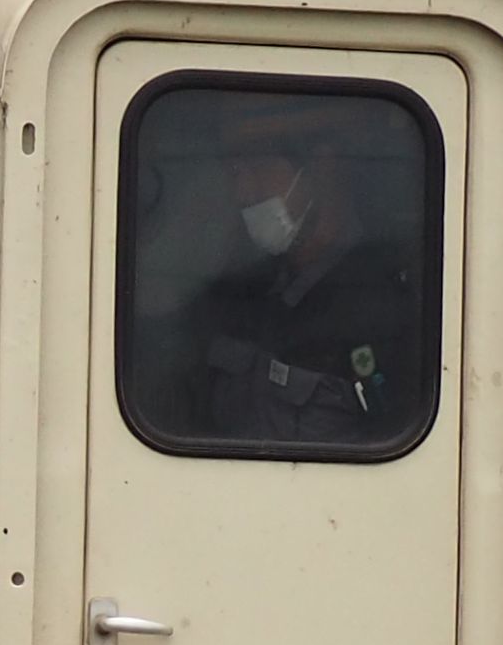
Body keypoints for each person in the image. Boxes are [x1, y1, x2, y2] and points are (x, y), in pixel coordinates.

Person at [145, 92, 429, 448]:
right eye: (235, 172)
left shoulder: (388, 309)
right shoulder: (240, 295)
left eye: (259, 168)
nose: (243, 192)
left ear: (322, 168)